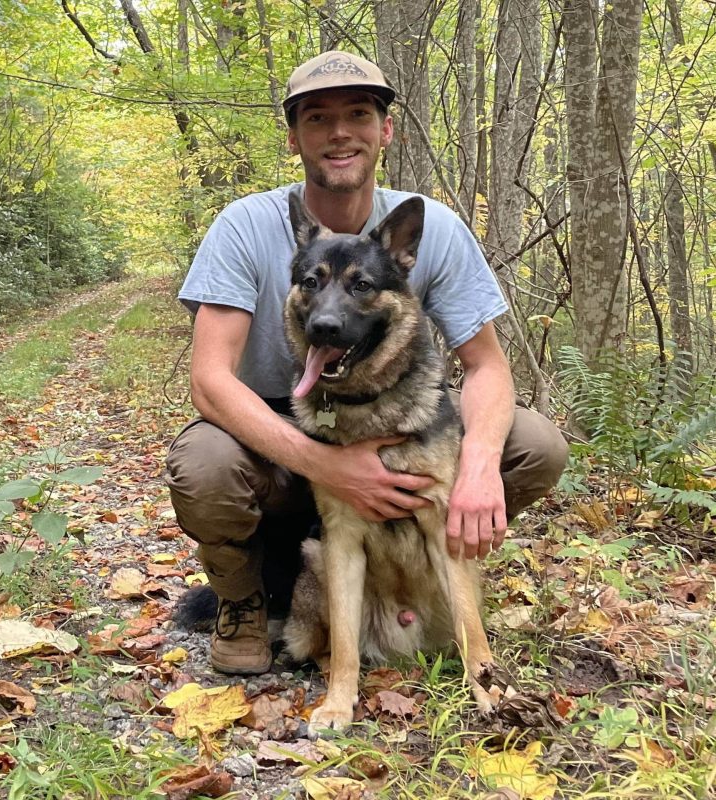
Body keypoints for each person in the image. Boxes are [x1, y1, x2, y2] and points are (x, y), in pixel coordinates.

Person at [165, 51, 568, 676]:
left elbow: (488, 366)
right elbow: (210, 381)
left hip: (392, 410)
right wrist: (331, 466)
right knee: (205, 466)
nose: (339, 132)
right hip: (278, 424)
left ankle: (415, 577)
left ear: (386, 131)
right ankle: (244, 599)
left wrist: (479, 467)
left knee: (534, 443)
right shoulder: (245, 225)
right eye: (318, 118)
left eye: (358, 114)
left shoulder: (429, 227)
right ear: (294, 137)